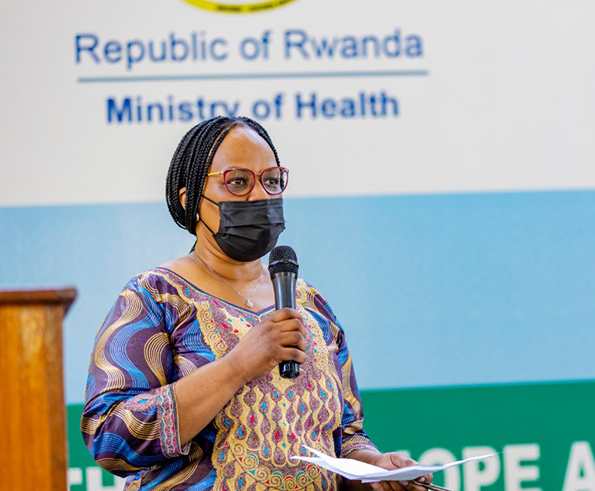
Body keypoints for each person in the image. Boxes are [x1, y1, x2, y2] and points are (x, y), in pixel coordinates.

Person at [81, 116, 432, 491]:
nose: (259, 196)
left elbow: (345, 437)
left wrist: (375, 469)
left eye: (271, 180)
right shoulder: (155, 296)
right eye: (238, 182)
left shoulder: (312, 305)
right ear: (190, 200)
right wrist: (237, 366)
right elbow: (109, 438)